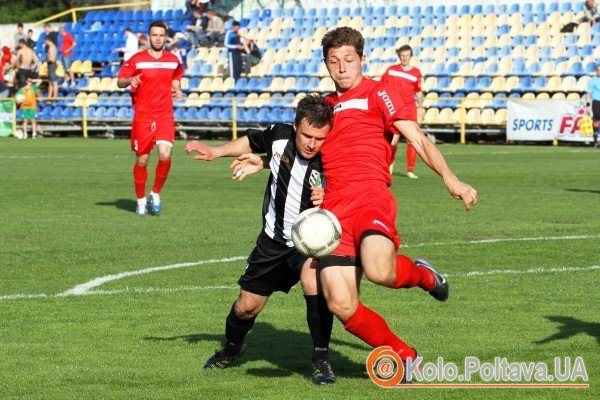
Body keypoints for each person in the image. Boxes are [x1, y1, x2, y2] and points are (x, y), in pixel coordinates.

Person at [317, 27, 478, 382]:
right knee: (341, 305)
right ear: (326, 64)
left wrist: (450, 178)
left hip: (371, 196)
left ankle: (422, 274)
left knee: (379, 271)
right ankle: (404, 355)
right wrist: (263, 160)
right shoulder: (323, 108)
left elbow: (416, 137)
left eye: (349, 60)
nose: (342, 68)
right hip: (331, 212)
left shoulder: (380, 92)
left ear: (361, 60)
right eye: (334, 61)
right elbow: (301, 149)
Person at [184, 94, 337, 384]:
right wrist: (217, 152)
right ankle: (232, 347)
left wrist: (329, 194)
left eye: (319, 137)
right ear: (295, 127)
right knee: (246, 306)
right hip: (273, 241)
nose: (312, 143)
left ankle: (320, 358)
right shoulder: (279, 136)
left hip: (311, 242)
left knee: (313, 282)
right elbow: (250, 142)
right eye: (306, 135)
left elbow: (352, 182)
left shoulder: (334, 152)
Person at [117, 21, 184, 216]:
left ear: (165, 37)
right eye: (154, 35)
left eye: (161, 35)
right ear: (148, 37)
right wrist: (130, 80)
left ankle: (155, 193)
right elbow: (120, 81)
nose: (157, 38)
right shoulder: (137, 59)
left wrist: (177, 89)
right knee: (142, 160)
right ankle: (140, 200)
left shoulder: (173, 59)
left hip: (164, 115)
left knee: (165, 155)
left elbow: (176, 77)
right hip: (143, 116)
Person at [381, 44, 424, 179]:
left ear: (410, 56)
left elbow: (418, 91)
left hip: (410, 109)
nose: (405, 58)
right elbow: (382, 86)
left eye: (407, 55)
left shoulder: (416, 72)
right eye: (402, 55)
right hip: (394, 108)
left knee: (412, 140)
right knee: (393, 141)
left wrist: (421, 107)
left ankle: (410, 170)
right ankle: (390, 163)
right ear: (399, 56)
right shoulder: (391, 70)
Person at [587, 63, 600, 148]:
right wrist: (588, 105)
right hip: (596, 102)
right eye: (598, 70)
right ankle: (595, 141)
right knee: (596, 120)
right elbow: (589, 93)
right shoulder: (593, 80)